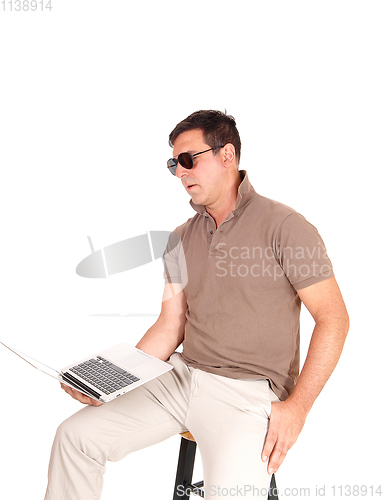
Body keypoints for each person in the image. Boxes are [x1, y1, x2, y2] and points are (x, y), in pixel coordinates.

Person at [45, 110, 349, 500]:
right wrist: (113, 383)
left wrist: (297, 409)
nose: (181, 172)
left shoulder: (287, 227)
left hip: (248, 393)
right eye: (174, 163)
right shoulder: (179, 239)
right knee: (75, 437)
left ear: (227, 156)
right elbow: (170, 325)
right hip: (181, 378)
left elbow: (334, 320)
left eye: (189, 159)